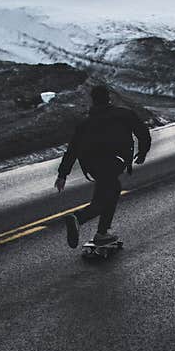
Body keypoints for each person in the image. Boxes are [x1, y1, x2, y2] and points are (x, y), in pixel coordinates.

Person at [55, 85, 151, 248]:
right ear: (109, 98)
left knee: (108, 191)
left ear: (93, 101)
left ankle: (102, 232)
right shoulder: (124, 114)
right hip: (114, 160)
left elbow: (72, 149)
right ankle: (80, 218)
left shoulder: (85, 123)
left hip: (92, 165)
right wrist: (141, 153)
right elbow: (143, 133)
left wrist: (62, 175)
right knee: (111, 192)